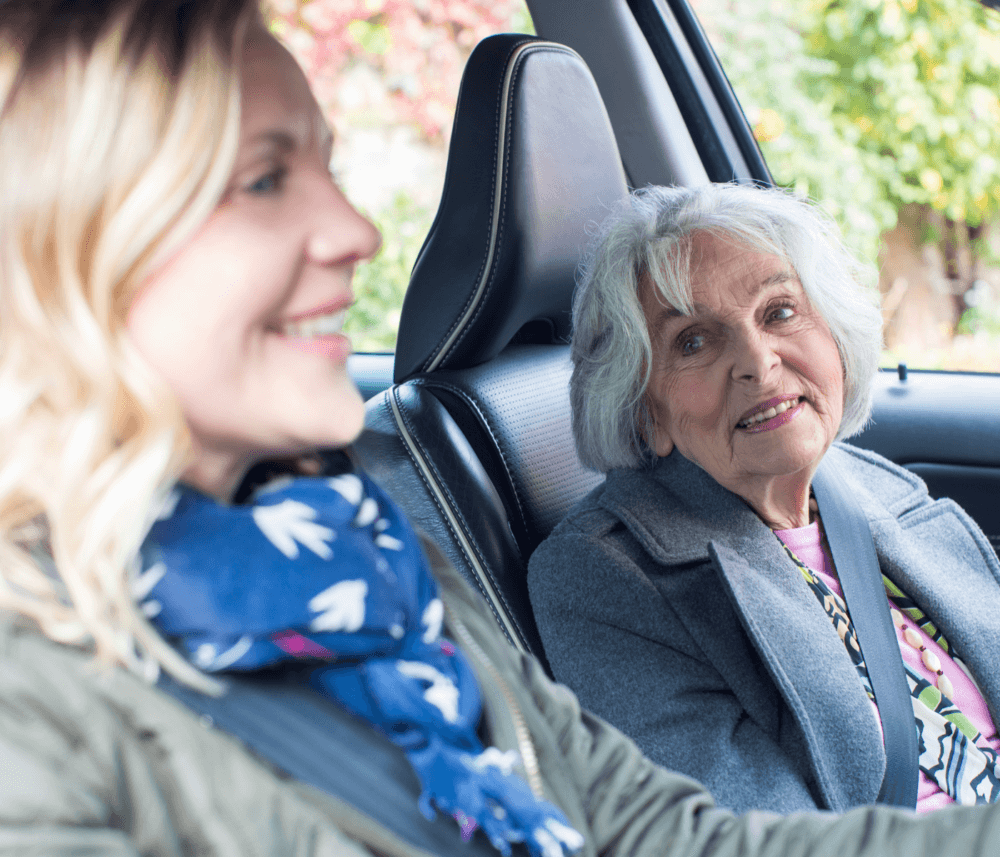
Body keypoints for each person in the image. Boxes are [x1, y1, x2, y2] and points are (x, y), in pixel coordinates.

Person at [3, 3, 1000, 855]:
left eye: (328, 166)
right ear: (66, 246)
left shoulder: (387, 566)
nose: (356, 229)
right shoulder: (34, 714)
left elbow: (672, 836)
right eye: (265, 180)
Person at [528, 182, 1000, 817]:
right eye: (693, 341)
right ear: (645, 414)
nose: (756, 360)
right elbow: (757, 838)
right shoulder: (604, 578)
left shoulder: (870, 485)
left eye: (779, 312)